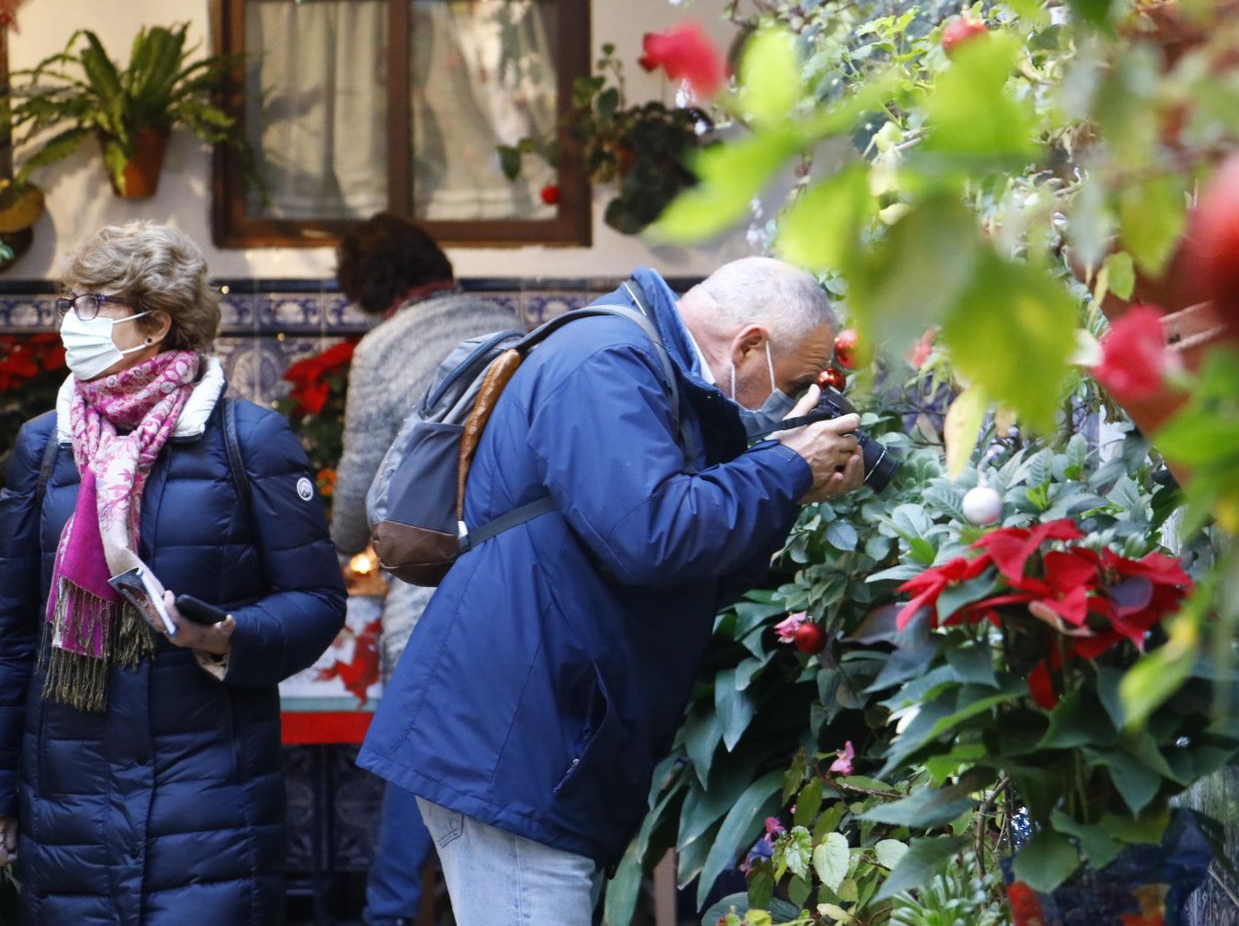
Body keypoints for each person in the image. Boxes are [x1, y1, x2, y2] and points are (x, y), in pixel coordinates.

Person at [358, 258, 864, 924]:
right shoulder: (604, 360)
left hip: (552, 729)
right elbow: (651, 535)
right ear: (749, 346)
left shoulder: (651, 369)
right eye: (793, 383)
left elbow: (697, 568)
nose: (789, 405)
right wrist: (784, 466)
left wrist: (790, 485)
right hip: (517, 738)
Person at [0, 222, 347, 924]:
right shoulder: (45, 446)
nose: (72, 320)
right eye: (73, 301)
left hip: (211, 804)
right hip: (68, 805)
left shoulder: (249, 441)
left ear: (156, 322)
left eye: (94, 303)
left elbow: (315, 599)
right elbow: (10, 636)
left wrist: (227, 635)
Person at [330, 214, 521, 926]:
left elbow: (361, 487)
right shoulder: (512, 328)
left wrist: (331, 555)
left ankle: (389, 915)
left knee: (418, 769)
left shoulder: (380, 350)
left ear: (369, 285)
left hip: (429, 594)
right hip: (521, 586)